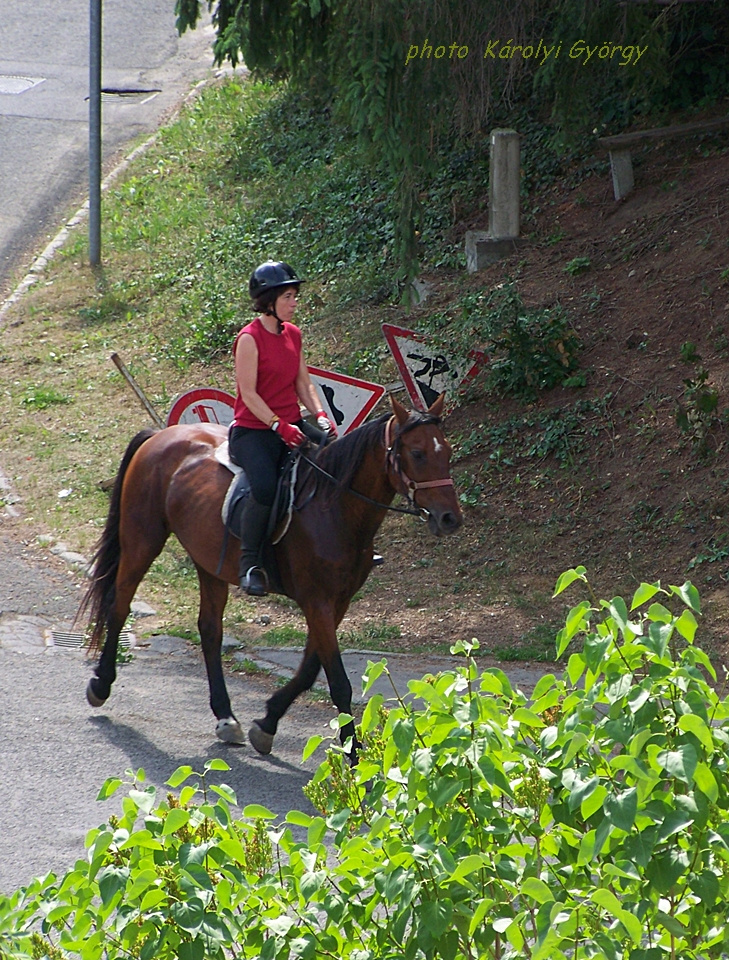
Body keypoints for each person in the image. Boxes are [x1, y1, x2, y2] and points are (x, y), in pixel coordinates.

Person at [228, 260, 337, 596]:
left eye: (295, 296)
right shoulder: (249, 339)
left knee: (337, 461)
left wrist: (320, 415)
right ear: (269, 301)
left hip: (293, 422)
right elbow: (249, 393)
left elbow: (303, 383)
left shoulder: (294, 334)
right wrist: (278, 426)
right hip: (254, 430)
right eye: (288, 297)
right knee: (264, 487)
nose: (294, 303)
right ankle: (250, 564)